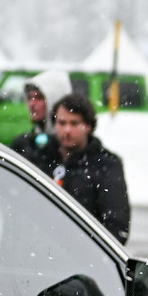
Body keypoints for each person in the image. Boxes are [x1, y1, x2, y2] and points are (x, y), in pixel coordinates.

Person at [49, 91, 130, 244]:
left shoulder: (106, 165)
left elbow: (116, 226)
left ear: (88, 126)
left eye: (74, 123)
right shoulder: (44, 157)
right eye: (62, 123)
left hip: (82, 255)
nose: (67, 130)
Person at [8, 69, 69, 175]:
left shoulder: (70, 148)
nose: (32, 104)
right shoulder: (23, 144)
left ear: (55, 99)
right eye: (30, 97)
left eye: (39, 97)